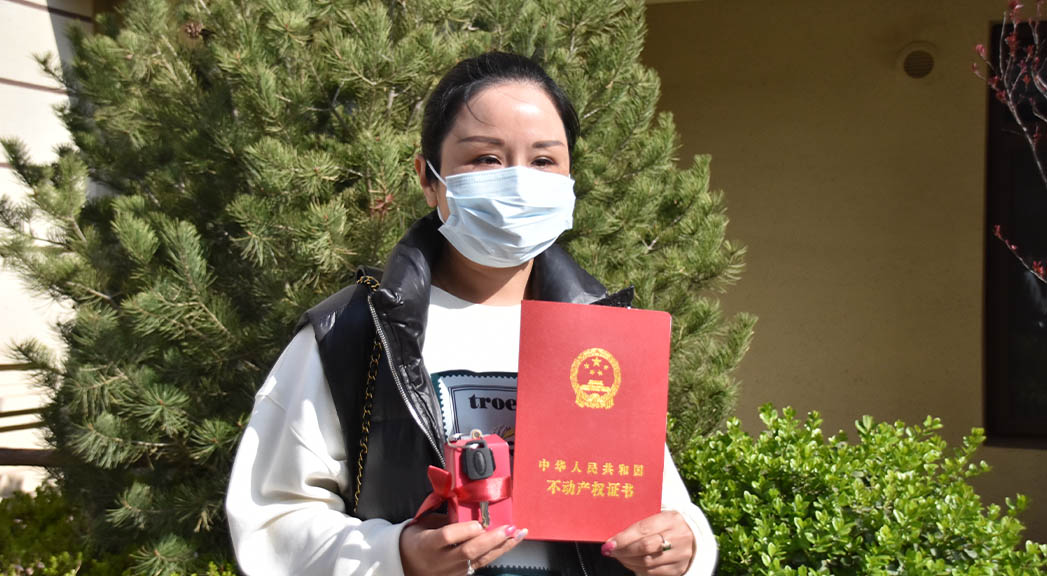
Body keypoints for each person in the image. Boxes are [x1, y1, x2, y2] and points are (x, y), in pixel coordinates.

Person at [226, 51, 718, 576]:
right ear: (428, 177)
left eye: (544, 161)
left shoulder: (606, 336)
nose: (519, 181)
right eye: (486, 158)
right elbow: (272, 519)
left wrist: (685, 545)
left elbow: (664, 509)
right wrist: (397, 555)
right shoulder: (353, 331)